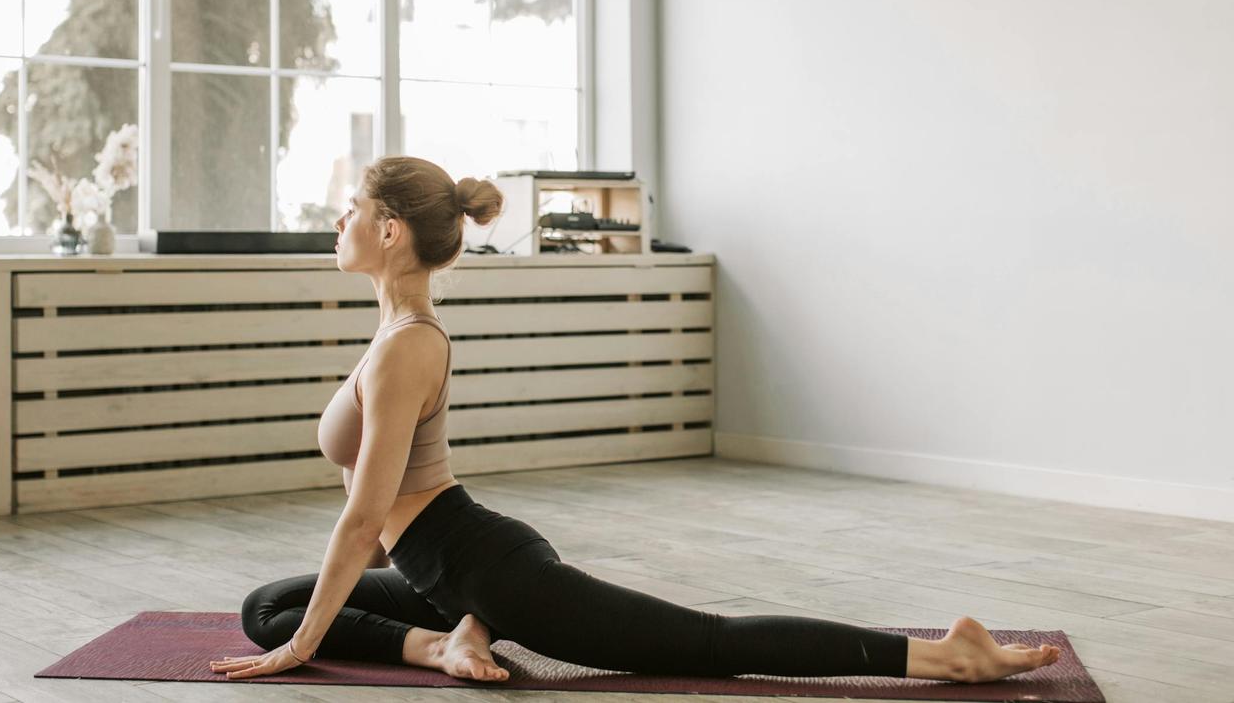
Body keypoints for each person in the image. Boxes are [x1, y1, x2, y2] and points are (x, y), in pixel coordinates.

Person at [209, 156, 1061, 684]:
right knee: (269, 605)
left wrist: (299, 656)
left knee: (706, 641)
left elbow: (364, 517)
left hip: (491, 570)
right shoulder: (395, 328)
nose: (338, 221)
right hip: (448, 570)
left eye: (349, 209)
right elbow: (369, 523)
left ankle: (946, 653)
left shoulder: (407, 345)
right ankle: (445, 644)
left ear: (389, 230)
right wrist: (309, 632)